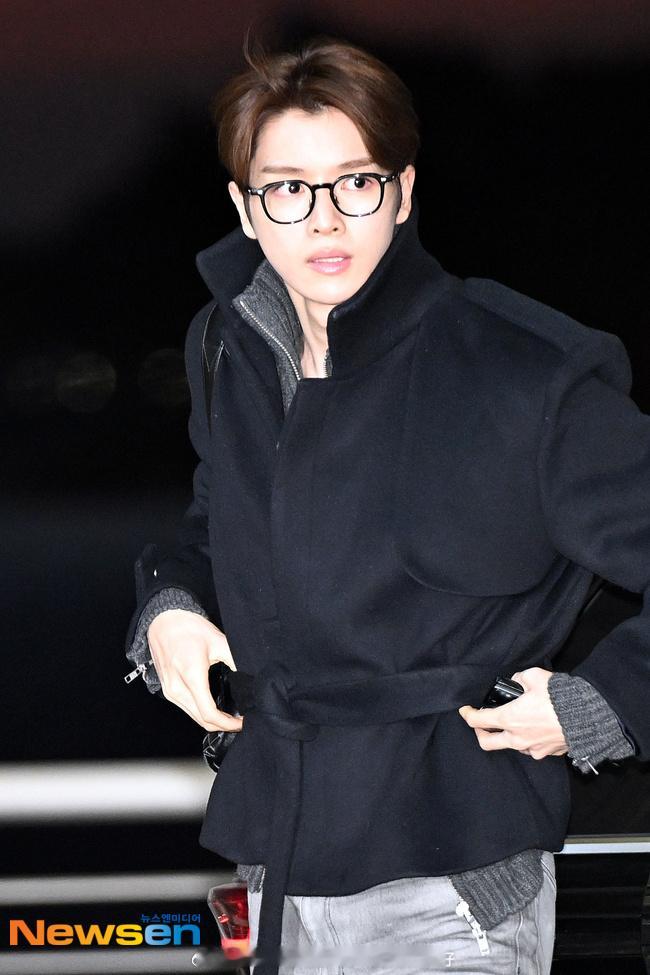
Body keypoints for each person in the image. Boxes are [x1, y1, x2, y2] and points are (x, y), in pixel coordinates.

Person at [125, 36, 648, 975]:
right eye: (288, 188)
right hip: (276, 867)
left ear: (403, 192)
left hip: (455, 882)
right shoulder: (227, 350)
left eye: (355, 183)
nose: (325, 218)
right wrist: (170, 606)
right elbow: (217, 523)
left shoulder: (523, 369)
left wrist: (601, 702)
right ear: (245, 209)